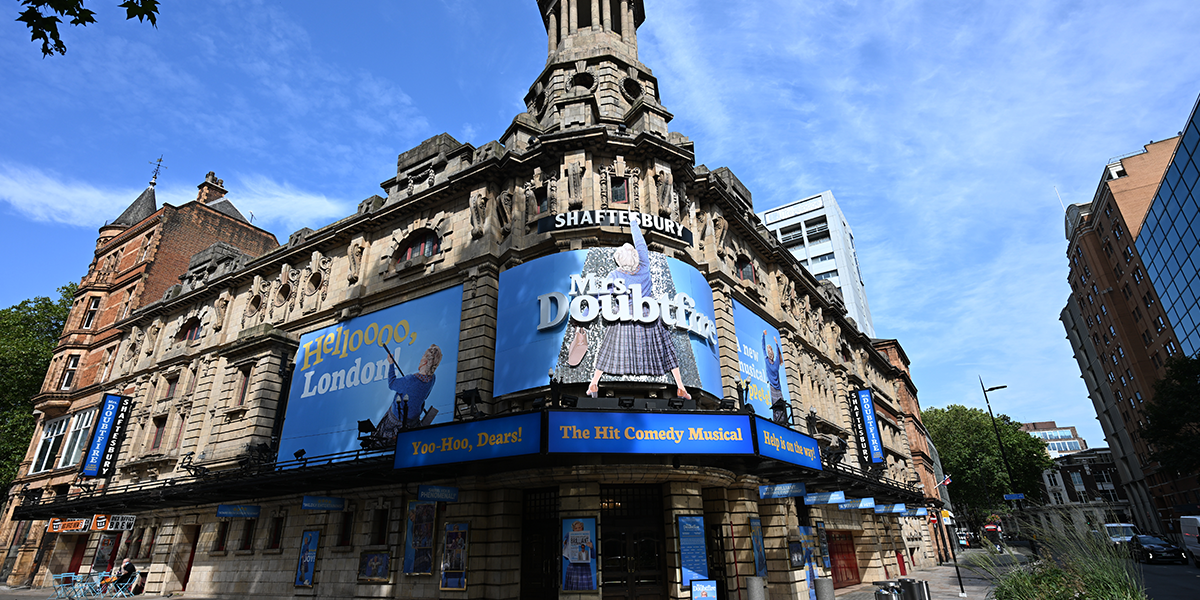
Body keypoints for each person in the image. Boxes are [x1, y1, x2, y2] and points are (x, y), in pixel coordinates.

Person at [587, 216, 691, 399]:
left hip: (624, 316)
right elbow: (641, 244)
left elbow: (599, 297)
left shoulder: (614, 274)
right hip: (649, 314)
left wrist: (583, 314)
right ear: (635, 257)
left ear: (619, 260)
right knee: (666, 348)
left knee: (608, 349)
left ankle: (594, 383)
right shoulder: (644, 266)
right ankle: (681, 386)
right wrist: (634, 223)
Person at [371, 344, 442, 441]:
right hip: (414, 419)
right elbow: (425, 397)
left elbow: (391, 383)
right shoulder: (432, 379)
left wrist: (391, 364)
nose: (420, 359)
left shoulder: (410, 380)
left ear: (425, 362)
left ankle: (385, 439)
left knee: (382, 429)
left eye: (422, 357)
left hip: (397, 418)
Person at [562, 520, 595, 590]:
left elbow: (594, 556)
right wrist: (565, 547)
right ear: (573, 530)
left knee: (585, 589)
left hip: (584, 568)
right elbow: (566, 558)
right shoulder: (568, 540)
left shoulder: (588, 539)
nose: (577, 530)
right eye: (575, 528)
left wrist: (592, 548)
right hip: (573, 568)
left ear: (582, 529)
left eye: (579, 528)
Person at [763, 331, 785, 423]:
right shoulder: (771, 362)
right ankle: (780, 421)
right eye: (769, 351)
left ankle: (780, 421)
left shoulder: (772, 362)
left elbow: (764, 348)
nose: (769, 352)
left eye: (770, 351)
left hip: (775, 388)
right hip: (775, 388)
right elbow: (763, 348)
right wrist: (764, 336)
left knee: (778, 406)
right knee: (778, 407)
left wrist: (764, 336)